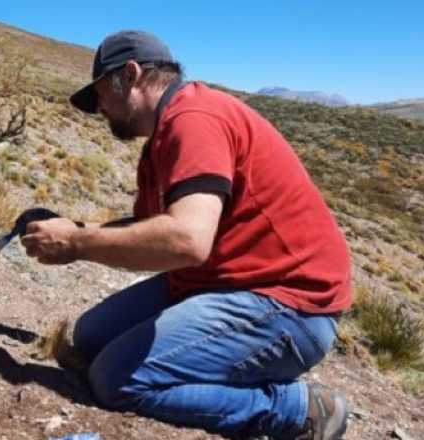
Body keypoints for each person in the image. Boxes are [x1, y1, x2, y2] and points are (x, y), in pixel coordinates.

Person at [20, 30, 352, 440]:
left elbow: (186, 240)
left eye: (102, 93)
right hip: (224, 282)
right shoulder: (163, 136)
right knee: (90, 337)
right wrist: (78, 230)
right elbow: (150, 230)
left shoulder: (194, 120)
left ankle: (296, 410)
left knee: (115, 379)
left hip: (289, 305)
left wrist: (75, 245)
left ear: (131, 74)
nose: (99, 108)